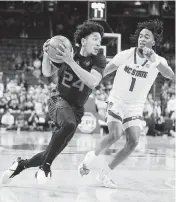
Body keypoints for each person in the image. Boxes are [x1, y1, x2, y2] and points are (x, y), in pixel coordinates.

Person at [1, 21, 106, 185]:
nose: (99, 42)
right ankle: (45, 168)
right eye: (95, 38)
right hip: (58, 99)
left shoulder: (98, 59)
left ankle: (20, 165)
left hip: (76, 110)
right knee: (68, 126)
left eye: (100, 39)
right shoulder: (66, 50)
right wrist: (46, 55)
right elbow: (47, 72)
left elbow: (92, 81)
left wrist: (71, 62)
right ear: (83, 41)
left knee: (51, 151)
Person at [78, 19, 175, 188]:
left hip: (135, 105)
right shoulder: (126, 54)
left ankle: (105, 173)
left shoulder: (157, 61)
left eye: (147, 37)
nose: (142, 39)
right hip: (117, 100)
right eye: (141, 36)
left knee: (134, 141)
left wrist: (156, 61)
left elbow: (170, 75)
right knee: (115, 134)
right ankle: (88, 161)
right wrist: (90, 84)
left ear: (153, 42)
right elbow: (106, 71)